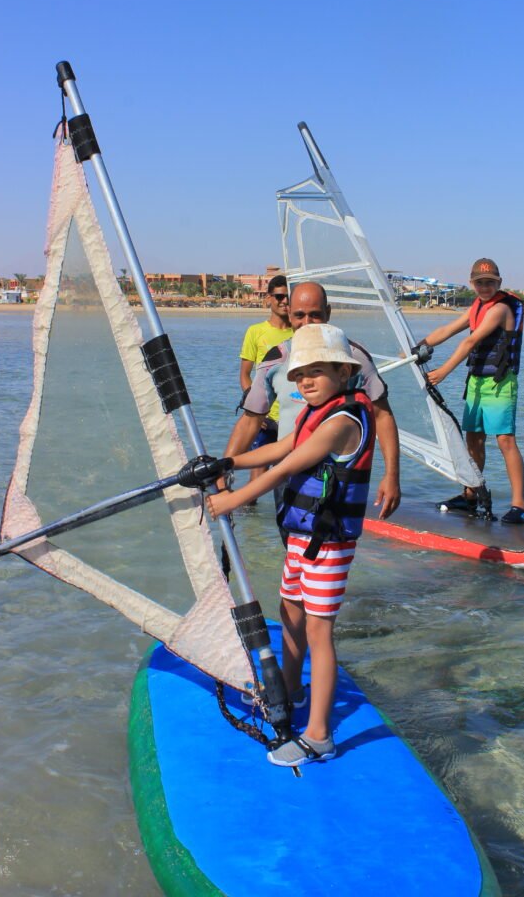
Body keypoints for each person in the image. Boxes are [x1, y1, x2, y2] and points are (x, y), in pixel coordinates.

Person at [208, 324, 376, 767]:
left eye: (317, 371)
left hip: (330, 543)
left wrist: (231, 500)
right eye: (300, 373)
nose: (304, 380)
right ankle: (292, 688)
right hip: (303, 538)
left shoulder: (342, 421)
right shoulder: (308, 413)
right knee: (290, 613)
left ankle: (320, 735)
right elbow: (280, 446)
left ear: (343, 372)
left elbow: (287, 466)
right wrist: (228, 461)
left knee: (319, 632)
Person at [221, 281, 401, 519]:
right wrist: (222, 471)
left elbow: (382, 415)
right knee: (293, 547)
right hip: (286, 479)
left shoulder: (351, 358)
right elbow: (250, 421)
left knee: (327, 548)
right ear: (289, 314)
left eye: (315, 315)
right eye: (299, 315)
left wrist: (391, 476)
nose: (307, 323)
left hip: (334, 480)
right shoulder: (276, 359)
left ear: (328, 313)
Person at [411, 258, 524, 524]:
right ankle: (471, 495)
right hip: (476, 381)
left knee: (505, 440)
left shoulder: (499, 309)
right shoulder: (477, 306)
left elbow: (471, 340)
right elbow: (447, 330)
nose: (485, 287)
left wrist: (444, 371)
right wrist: (416, 348)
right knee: (473, 439)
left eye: (490, 282)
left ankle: (519, 505)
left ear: (498, 283)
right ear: (472, 284)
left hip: (499, 383)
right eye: (479, 282)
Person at [237, 275, 293, 489]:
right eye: (279, 296)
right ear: (269, 298)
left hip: (292, 420)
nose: (284, 301)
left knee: (290, 481)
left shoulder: (299, 331)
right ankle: (251, 522)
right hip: (266, 419)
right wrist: (256, 410)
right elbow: (244, 375)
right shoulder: (255, 331)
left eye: (288, 297)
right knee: (256, 483)